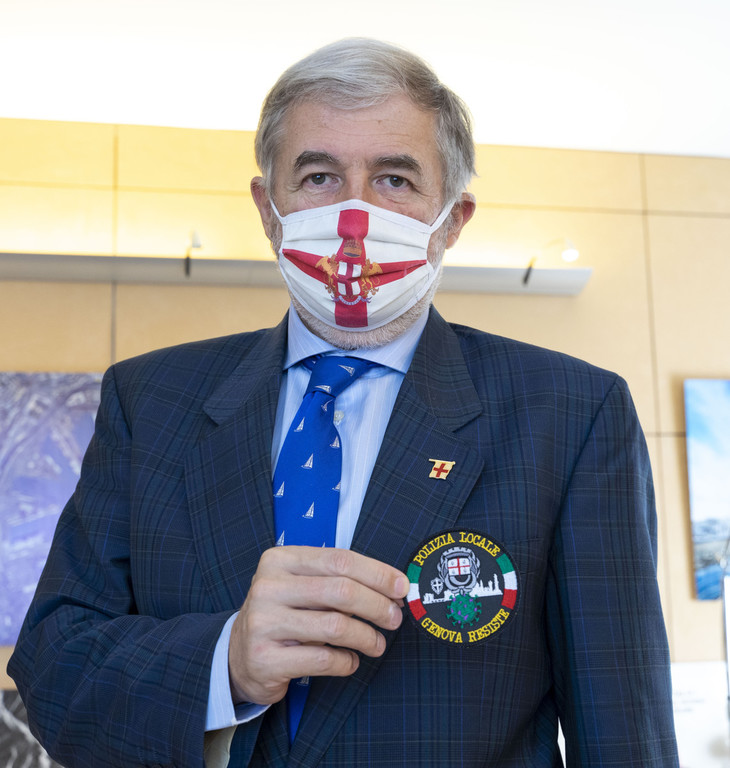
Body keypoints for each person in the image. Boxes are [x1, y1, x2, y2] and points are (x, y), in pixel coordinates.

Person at [9, 38, 679, 768]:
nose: (354, 215)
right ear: (268, 209)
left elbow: (624, 732)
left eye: (394, 179)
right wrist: (225, 661)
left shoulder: (572, 415)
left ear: (452, 219)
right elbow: (54, 668)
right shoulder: (149, 401)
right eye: (320, 176)